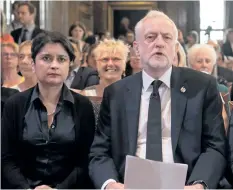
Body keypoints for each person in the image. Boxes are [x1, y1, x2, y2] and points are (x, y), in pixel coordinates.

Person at [89, 10, 226, 189]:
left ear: (175, 48)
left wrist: (199, 184)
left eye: (167, 37)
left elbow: (215, 146)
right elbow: (100, 152)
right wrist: (110, 184)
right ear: (137, 48)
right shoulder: (116, 93)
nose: (159, 43)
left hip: (186, 185)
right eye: (151, 37)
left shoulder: (202, 86)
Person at [1, 31, 95, 189]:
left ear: (69, 65)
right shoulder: (14, 104)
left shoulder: (82, 105)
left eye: (61, 59)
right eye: (46, 58)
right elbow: (6, 159)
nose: (54, 65)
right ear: (33, 63)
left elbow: (84, 161)